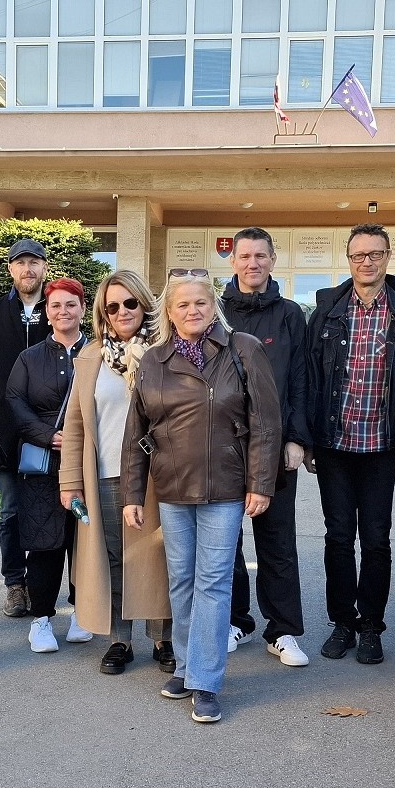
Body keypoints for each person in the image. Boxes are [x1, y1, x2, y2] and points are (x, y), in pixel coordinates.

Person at [122, 269, 281, 724]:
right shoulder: (153, 360)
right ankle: (187, 665)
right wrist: (133, 493)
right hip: (172, 488)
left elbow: (266, 422)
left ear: (214, 307)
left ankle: (205, 681)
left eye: (201, 303)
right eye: (183, 304)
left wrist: (260, 483)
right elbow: (136, 432)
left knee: (213, 581)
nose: (193, 311)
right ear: (169, 313)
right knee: (182, 581)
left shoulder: (242, 349)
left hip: (225, 487)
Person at [305, 223, 395, 666]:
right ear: (349, 260)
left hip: (382, 445)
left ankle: (370, 627)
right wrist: (306, 439)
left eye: (375, 254)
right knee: (338, 538)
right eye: (359, 255)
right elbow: (310, 376)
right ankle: (343, 623)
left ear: (387, 257)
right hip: (334, 445)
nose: (367, 262)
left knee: (377, 540)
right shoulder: (328, 310)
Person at [59, 270, 173, 676]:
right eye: (112, 306)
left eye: (130, 302)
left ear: (145, 303)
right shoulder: (91, 356)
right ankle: (119, 640)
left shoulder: (165, 350)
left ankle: (164, 639)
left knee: (159, 557)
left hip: (159, 474)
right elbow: (75, 424)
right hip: (106, 473)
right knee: (115, 558)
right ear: (102, 314)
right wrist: (70, 482)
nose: (122, 311)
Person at [221, 227, 310, 667]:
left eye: (260, 256)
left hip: (275, 446)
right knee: (226, 541)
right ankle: (235, 621)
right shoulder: (216, 311)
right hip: (223, 447)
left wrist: (297, 439)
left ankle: (283, 630)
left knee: (277, 542)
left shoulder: (290, 314)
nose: (252, 263)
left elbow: (301, 379)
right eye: (244, 256)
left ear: (273, 260)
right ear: (232, 261)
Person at [6, 278, 94, 652]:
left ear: (83, 309)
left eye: (71, 304)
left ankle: (83, 612)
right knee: (45, 542)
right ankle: (41, 619)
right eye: (55, 305)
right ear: (47, 312)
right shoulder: (29, 358)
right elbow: (14, 401)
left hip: (89, 460)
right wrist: (47, 434)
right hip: (44, 463)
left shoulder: (99, 353)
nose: (63, 311)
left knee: (85, 541)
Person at [0, 238, 52, 618]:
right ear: (10, 269)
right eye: (21, 263)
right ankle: (15, 584)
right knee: (10, 510)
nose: (28, 269)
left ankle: (42, 585)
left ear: (44, 267)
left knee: (45, 508)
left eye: (34, 262)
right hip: (6, 427)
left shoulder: (55, 308)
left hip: (48, 429)